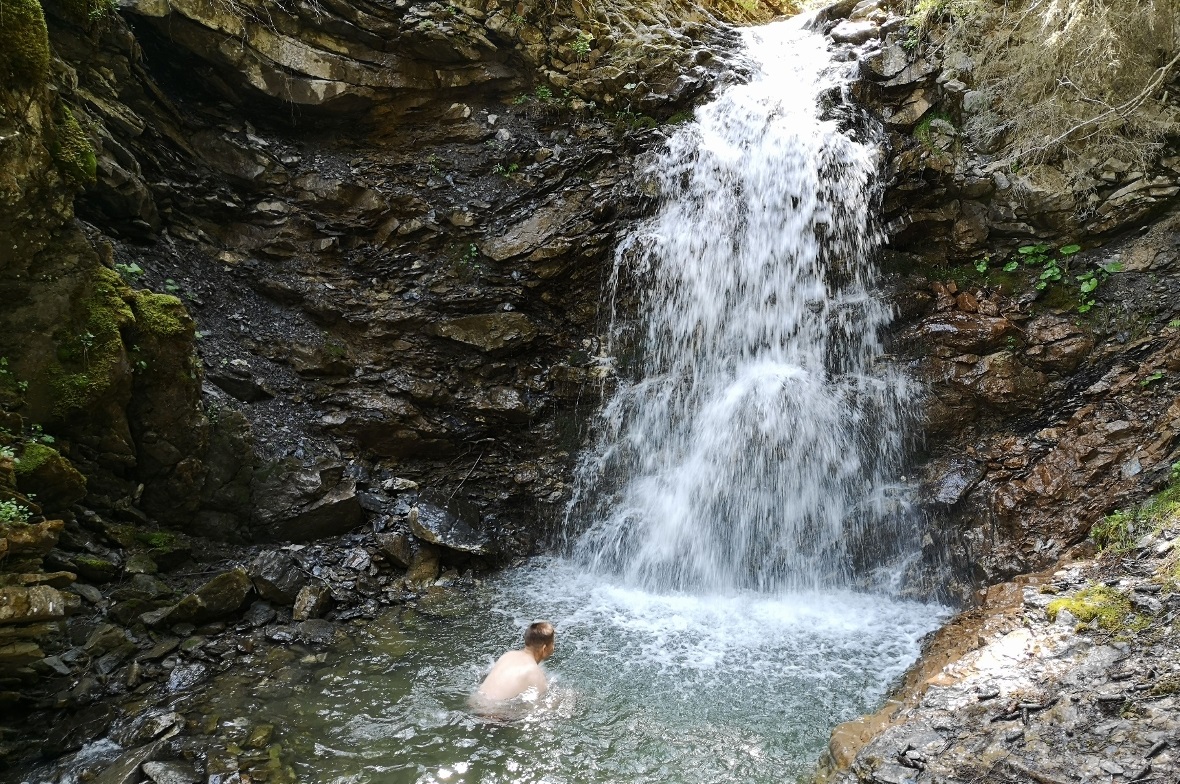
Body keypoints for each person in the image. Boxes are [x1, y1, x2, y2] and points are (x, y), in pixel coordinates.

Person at [475, 621, 555, 703]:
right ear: (544, 649)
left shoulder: (508, 655)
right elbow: (543, 704)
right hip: (494, 714)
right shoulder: (535, 673)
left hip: (475, 702)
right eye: (553, 644)